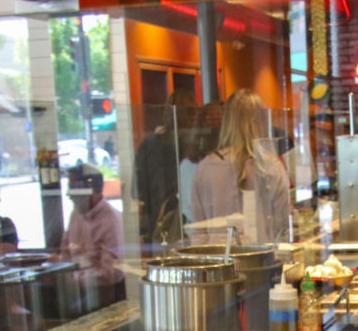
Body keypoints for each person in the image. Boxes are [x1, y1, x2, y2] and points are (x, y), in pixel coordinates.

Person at [190, 89, 290, 244]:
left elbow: (198, 232)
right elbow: (282, 227)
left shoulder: (205, 168)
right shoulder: (271, 166)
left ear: (227, 121)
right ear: (261, 121)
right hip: (261, 261)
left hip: (217, 263)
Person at [134, 89, 198, 244]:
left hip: (157, 221)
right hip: (188, 220)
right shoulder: (193, 145)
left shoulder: (149, 143)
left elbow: (136, 190)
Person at [61, 162, 126, 310]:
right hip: (76, 291)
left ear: (93, 191)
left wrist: (76, 279)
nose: (69, 195)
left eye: (75, 189)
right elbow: (65, 250)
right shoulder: (76, 214)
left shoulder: (111, 220)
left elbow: (111, 273)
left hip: (105, 297)